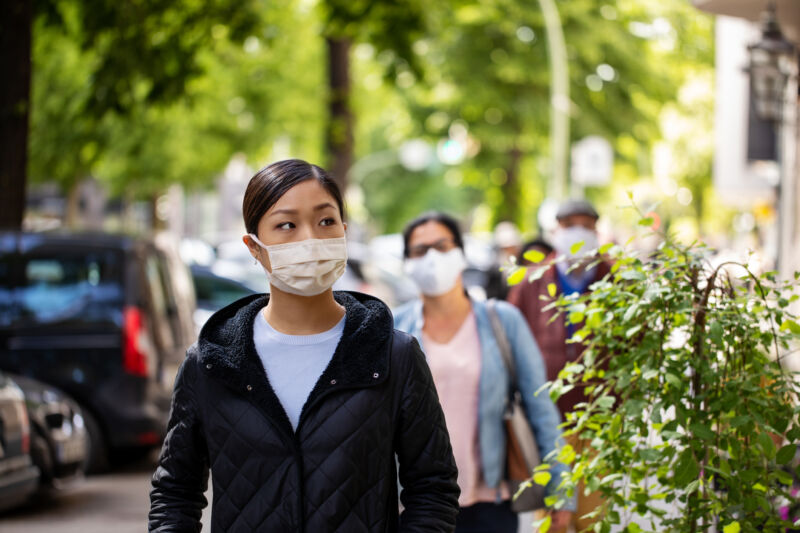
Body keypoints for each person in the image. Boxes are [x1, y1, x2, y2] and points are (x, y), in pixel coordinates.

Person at [149, 160, 460, 532]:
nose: (309, 239)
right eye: (286, 225)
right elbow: (174, 495)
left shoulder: (394, 356)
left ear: (344, 232)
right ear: (254, 246)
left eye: (325, 221)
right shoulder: (211, 364)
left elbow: (433, 490)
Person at [393, 212, 573, 533]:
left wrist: (560, 488)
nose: (432, 258)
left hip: (490, 500)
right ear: (407, 262)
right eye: (420, 250)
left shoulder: (502, 320)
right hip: (415, 504)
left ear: (460, 252)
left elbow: (540, 407)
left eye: (442, 245)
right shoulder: (393, 327)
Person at [507, 199, 612, 533]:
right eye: (569, 225)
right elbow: (512, 345)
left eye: (585, 224)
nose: (577, 232)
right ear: (555, 232)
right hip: (545, 423)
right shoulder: (530, 283)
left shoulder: (618, 282)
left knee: (591, 519)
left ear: (597, 231)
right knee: (550, 521)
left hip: (599, 425)